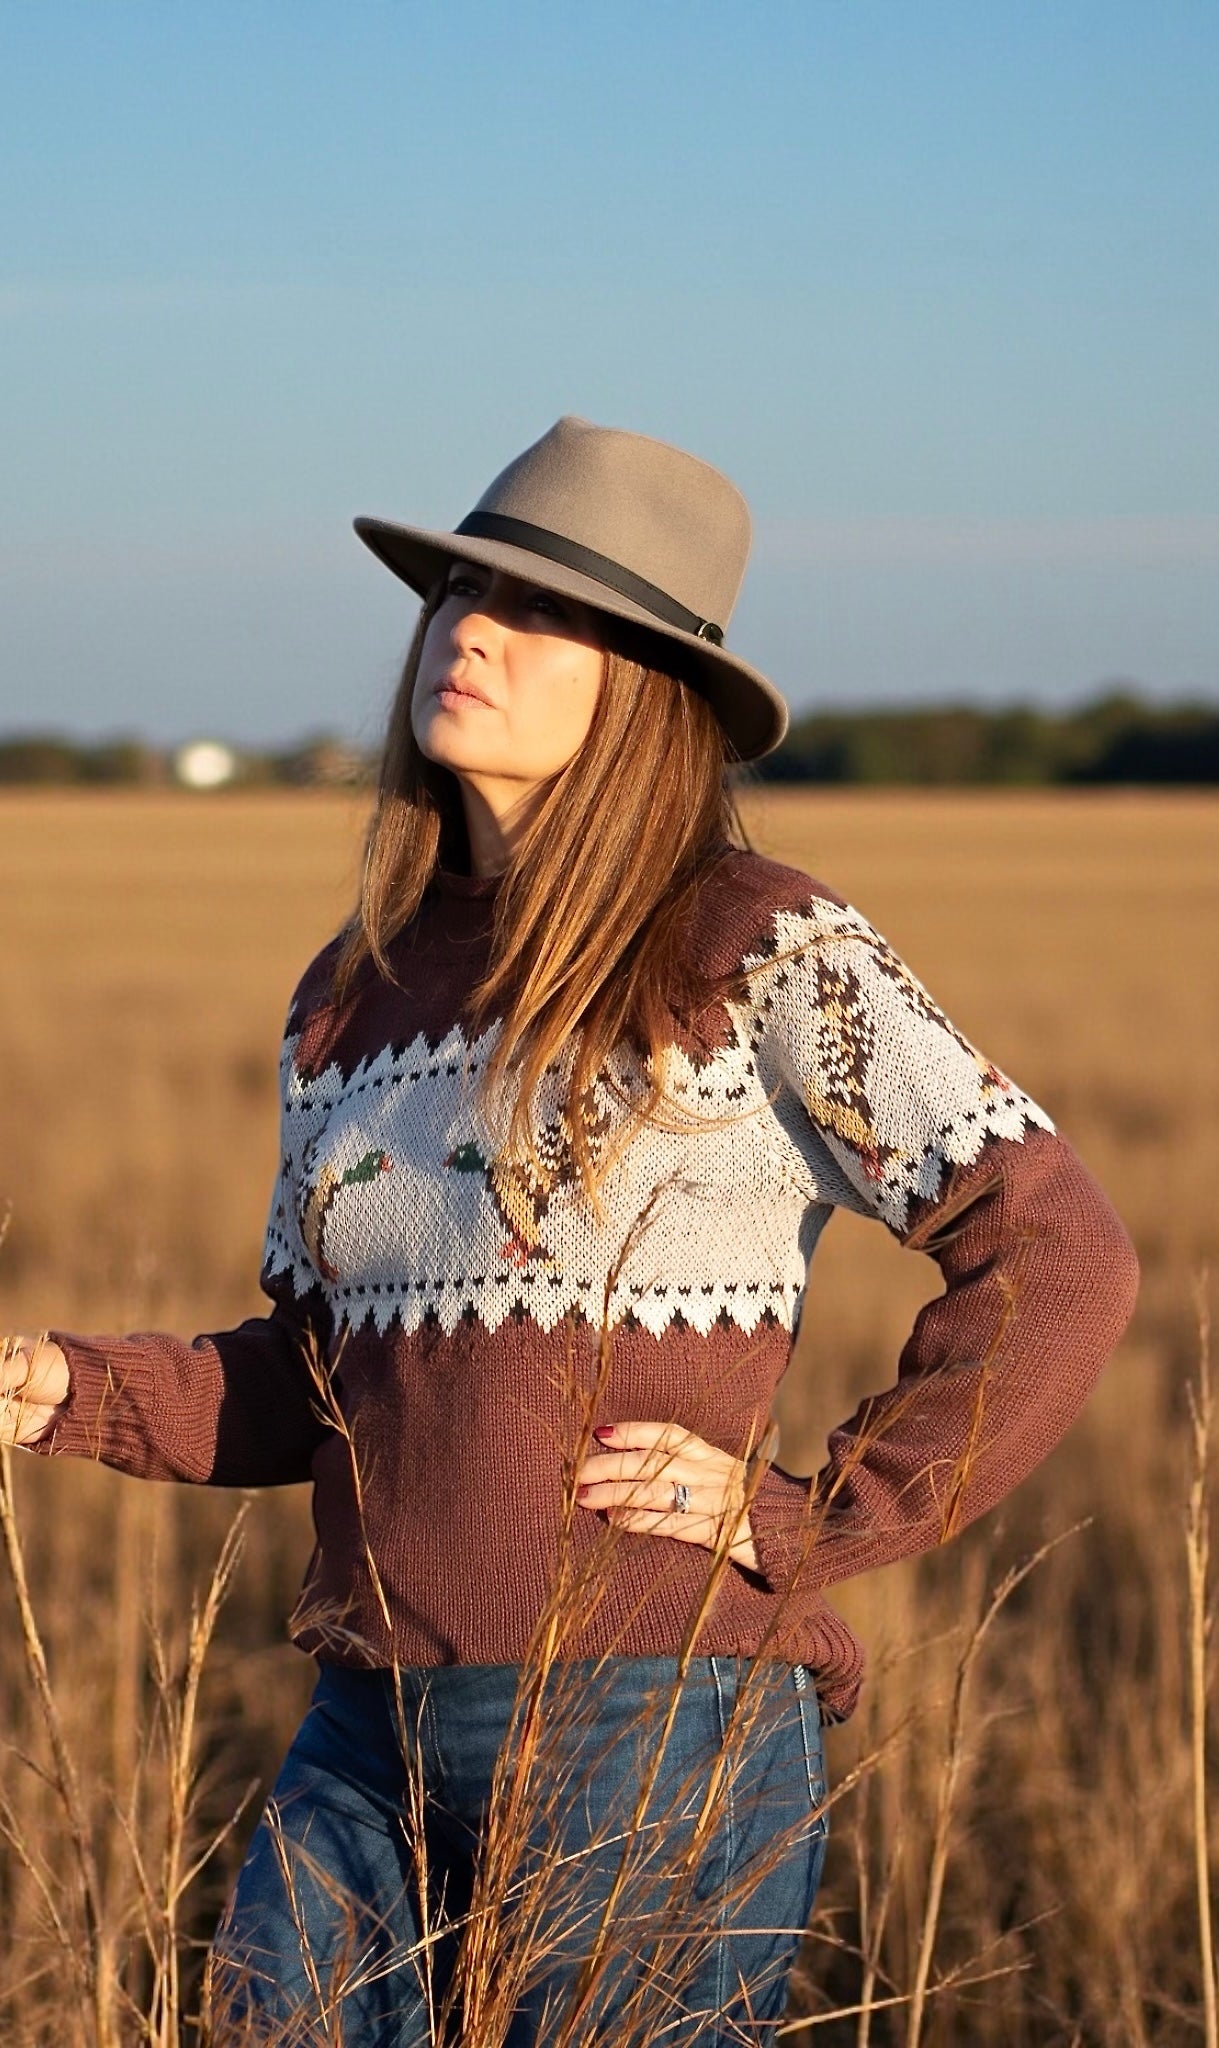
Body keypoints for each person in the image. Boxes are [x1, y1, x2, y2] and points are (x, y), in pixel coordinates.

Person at [2, 415, 1139, 2046]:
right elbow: (329, 1384)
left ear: (646, 690)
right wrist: (57, 1384)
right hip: (362, 1723)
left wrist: (824, 1515)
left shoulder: (752, 946)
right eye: (461, 587)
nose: (472, 628)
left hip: (653, 1715)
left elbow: (1060, 1251)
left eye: (544, 614)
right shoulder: (349, 994)